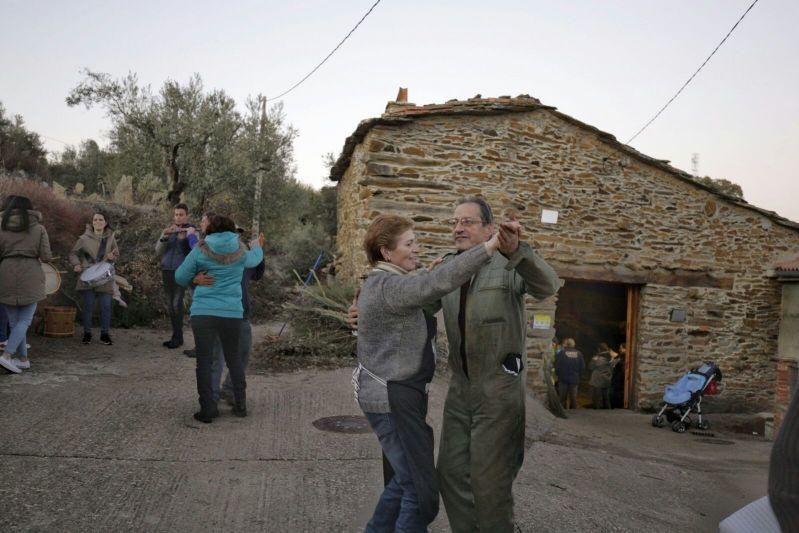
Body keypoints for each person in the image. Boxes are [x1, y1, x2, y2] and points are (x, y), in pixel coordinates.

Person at [349, 196, 559, 532]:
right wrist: (368, 312)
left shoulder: (510, 264)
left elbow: (547, 285)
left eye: (468, 222)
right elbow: (414, 303)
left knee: (489, 486)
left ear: (489, 228)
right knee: (448, 475)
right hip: (461, 391)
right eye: (454, 222)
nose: (458, 228)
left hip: (498, 390)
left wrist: (518, 250)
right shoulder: (447, 269)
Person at [355, 214, 502, 532]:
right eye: (409, 244)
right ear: (385, 252)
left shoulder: (383, 282)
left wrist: (425, 273)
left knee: (403, 480)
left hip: (395, 395)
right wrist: (489, 248)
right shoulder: (388, 285)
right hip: (393, 397)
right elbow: (437, 283)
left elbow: (419, 287)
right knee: (419, 492)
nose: (417, 249)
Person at [174, 215, 264, 423]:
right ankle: (240, 405)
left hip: (203, 312)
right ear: (232, 231)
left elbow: (179, 277)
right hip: (231, 313)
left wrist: (194, 278)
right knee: (233, 359)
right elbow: (255, 259)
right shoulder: (240, 250)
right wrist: (257, 246)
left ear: (210, 230)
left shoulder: (200, 249)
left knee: (204, 361)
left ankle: (208, 409)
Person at [195, 226, 265, 404]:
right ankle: (212, 398)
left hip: (240, 315)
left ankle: (231, 391)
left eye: (237, 234)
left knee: (241, 355)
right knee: (215, 358)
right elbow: (188, 275)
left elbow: (257, 274)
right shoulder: (207, 255)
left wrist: (259, 250)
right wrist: (195, 279)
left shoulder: (244, 258)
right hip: (215, 315)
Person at [0, 195, 53, 373]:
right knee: (25, 319)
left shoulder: (1, 226)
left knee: (15, 321)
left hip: (5, 272)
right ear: (30, 208)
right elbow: (46, 256)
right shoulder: (38, 228)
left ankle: (23, 359)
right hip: (30, 272)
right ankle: (7, 356)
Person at [69, 211, 120, 345]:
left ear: (106, 222)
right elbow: (73, 254)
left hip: (105, 277)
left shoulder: (110, 238)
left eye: (100, 220)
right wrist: (76, 264)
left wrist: (112, 257)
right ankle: (87, 333)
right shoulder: (83, 238)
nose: (97, 222)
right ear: (92, 222)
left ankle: (104, 334)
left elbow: (116, 253)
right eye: (95, 220)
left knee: (106, 307)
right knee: (88, 306)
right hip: (87, 277)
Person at [155, 203, 195, 349]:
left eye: (181, 214)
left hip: (181, 271)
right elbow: (158, 251)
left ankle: (177, 338)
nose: (178, 217)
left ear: (187, 216)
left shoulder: (191, 231)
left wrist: (184, 238)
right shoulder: (169, 230)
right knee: (170, 305)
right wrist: (164, 235)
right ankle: (177, 336)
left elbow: (194, 253)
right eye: (176, 214)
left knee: (177, 304)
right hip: (166, 270)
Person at [555, 338, 584, 409]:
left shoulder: (561, 353)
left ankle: (562, 412)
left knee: (562, 398)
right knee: (573, 398)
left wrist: (558, 376)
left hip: (563, 379)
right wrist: (578, 376)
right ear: (574, 345)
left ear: (567, 344)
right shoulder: (579, 353)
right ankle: (573, 413)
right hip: (574, 379)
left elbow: (557, 366)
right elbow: (582, 367)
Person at [589, 343, 612, 409]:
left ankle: (597, 413)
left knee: (597, 399)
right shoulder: (611, 357)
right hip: (607, 380)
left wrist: (593, 360)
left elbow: (590, 367)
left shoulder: (597, 359)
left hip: (597, 382)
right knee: (606, 399)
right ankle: (608, 413)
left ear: (599, 350)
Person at [610, 342, 626, 408]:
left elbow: (619, 366)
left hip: (619, 379)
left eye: (621, 348)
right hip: (618, 378)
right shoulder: (621, 357)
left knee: (617, 393)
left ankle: (617, 405)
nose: (620, 349)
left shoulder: (624, 357)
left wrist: (614, 359)